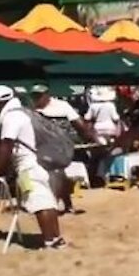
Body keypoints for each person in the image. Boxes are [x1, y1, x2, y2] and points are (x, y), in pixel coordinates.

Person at [0, 86, 67, 249]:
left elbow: (6, 145)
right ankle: (55, 238)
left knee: (39, 203)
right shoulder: (22, 113)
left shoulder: (11, 118)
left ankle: (50, 239)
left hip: (27, 166)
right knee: (47, 202)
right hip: (38, 163)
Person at [30, 85, 96, 214]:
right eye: (34, 95)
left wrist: (89, 137)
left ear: (47, 95)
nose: (36, 98)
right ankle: (66, 203)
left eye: (39, 95)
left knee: (56, 172)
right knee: (57, 173)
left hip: (61, 146)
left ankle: (53, 203)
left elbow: (79, 124)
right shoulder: (33, 109)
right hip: (43, 146)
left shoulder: (61, 106)